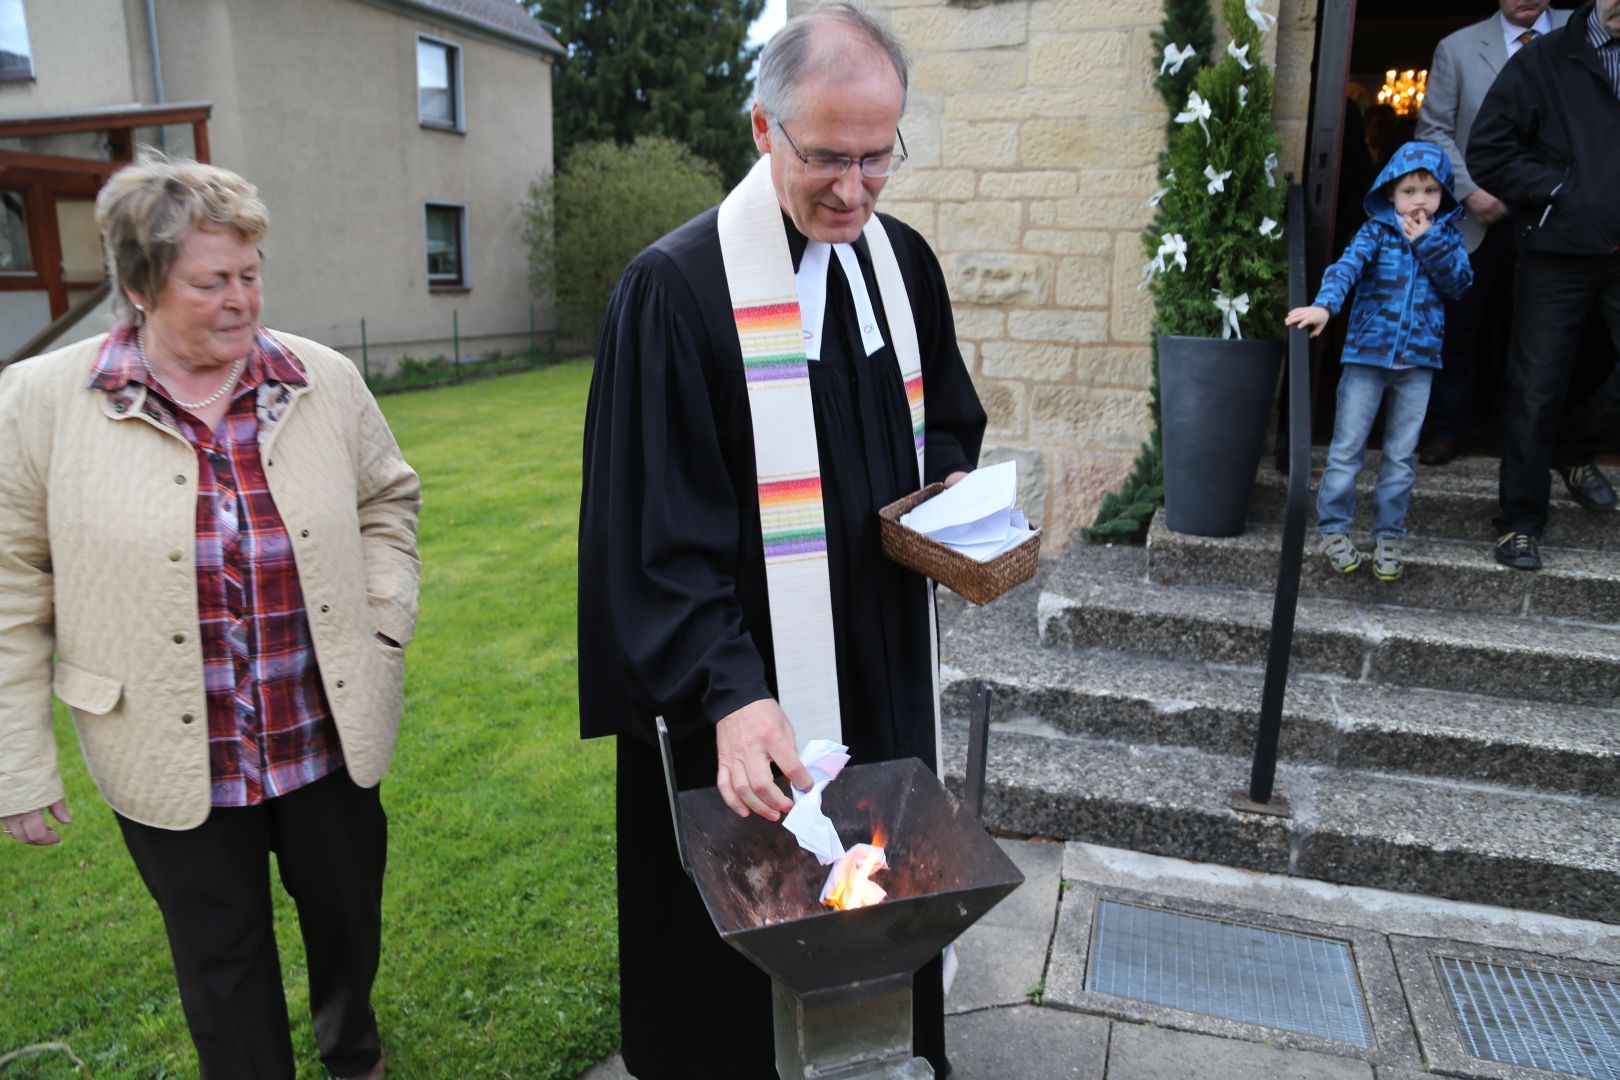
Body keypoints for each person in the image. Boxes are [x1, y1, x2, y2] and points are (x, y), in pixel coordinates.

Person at [576, 4, 986, 1077]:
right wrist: (727, 689)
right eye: (825, 157)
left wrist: (949, 506)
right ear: (764, 130)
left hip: (883, 661)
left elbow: (947, 417)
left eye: (876, 156)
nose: (853, 189)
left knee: (884, 892)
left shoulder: (902, 263)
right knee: (751, 930)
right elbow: (653, 533)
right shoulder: (675, 292)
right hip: (752, 692)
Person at [0, 155, 421, 1080]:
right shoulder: (40, 405)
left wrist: (382, 619)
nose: (241, 299)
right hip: (168, 747)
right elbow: (12, 586)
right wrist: (19, 765)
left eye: (250, 273)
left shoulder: (321, 378)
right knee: (220, 961)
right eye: (211, 281)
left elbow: (388, 502)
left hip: (323, 732)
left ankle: (352, 1050)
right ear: (142, 286)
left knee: (346, 917)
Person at [1468, 0, 1620, 569]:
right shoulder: (1548, 58)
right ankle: (1520, 521)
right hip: (1556, 252)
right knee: (1535, 389)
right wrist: (1563, 191)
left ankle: (1574, 444)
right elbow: (1488, 150)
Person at [1286, 142, 1473, 580]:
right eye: (1409, 190)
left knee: (1401, 457)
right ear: (1390, 193)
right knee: (1347, 449)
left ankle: (1389, 534)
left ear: (1443, 193)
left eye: (1430, 190)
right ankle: (1334, 527)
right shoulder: (1374, 232)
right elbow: (1345, 268)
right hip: (1367, 358)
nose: (1419, 200)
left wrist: (1428, 242)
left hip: (1418, 364)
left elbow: (1460, 283)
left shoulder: (1447, 238)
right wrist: (1325, 307)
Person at [1415, 0, 1578, 467]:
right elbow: (1433, 131)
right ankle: (1448, 429)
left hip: (1560, 215)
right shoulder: (1458, 47)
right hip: (1480, 218)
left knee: (1546, 334)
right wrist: (1470, 193)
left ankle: (1533, 441)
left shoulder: (1584, 32)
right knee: (1462, 327)